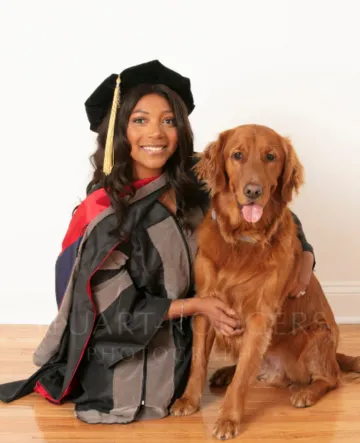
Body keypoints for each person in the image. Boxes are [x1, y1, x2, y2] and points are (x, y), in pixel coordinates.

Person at [0, 60, 315, 424]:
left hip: (187, 343)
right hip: (128, 346)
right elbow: (114, 312)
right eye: (140, 120)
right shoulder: (103, 213)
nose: (157, 133)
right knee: (142, 398)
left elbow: (266, 208)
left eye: (168, 121)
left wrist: (304, 256)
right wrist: (199, 305)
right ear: (120, 131)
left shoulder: (194, 180)